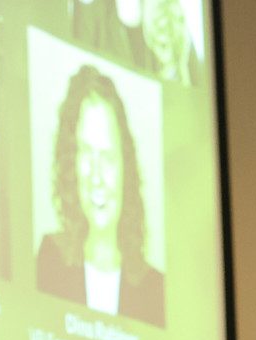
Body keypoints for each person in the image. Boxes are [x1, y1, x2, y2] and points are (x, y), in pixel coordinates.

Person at [35, 63, 166, 326]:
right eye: (86, 152)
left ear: (125, 169)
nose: (96, 176)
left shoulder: (155, 291)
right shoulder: (49, 261)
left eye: (107, 157)